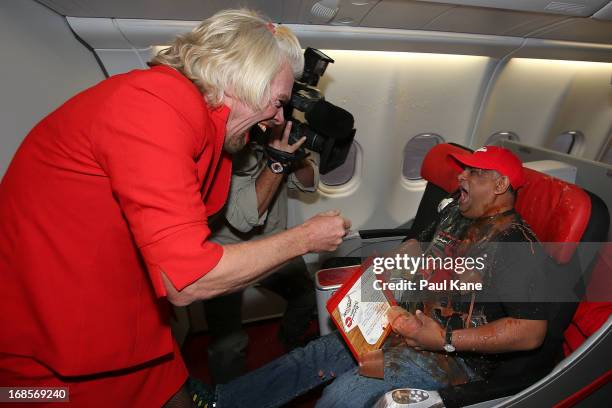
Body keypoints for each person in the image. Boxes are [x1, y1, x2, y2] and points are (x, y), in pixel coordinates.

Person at [0, 9, 350, 407]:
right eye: (278, 102)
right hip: (47, 354)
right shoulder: (153, 103)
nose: (278, 118)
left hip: (122, 326)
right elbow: (187, 279)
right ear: (244, 80)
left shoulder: (200, 125)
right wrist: (306, 238)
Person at [205, 146, 564, 408]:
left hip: (450, 358)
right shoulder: (457, 209)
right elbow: (418, 249)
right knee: (312, 357)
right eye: (463, 169)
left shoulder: (516, 244)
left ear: (500, 185)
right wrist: (379, 273)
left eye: (474, 172)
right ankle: (222, 402)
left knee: (341, 396)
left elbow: (530, 332)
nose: (460, 176)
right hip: (401, 325)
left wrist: (445, 339)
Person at [204, 122, 319, 383]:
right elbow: (247, 217)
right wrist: (277, 160)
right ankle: (228, 393)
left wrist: (296, 158)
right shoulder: (226, 144)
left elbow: (309, 184)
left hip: (275, 243)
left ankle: (289, 342)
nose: (278, 116)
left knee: (306, 296)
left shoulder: (276, 137)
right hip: (226, 251)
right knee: (228, 341)